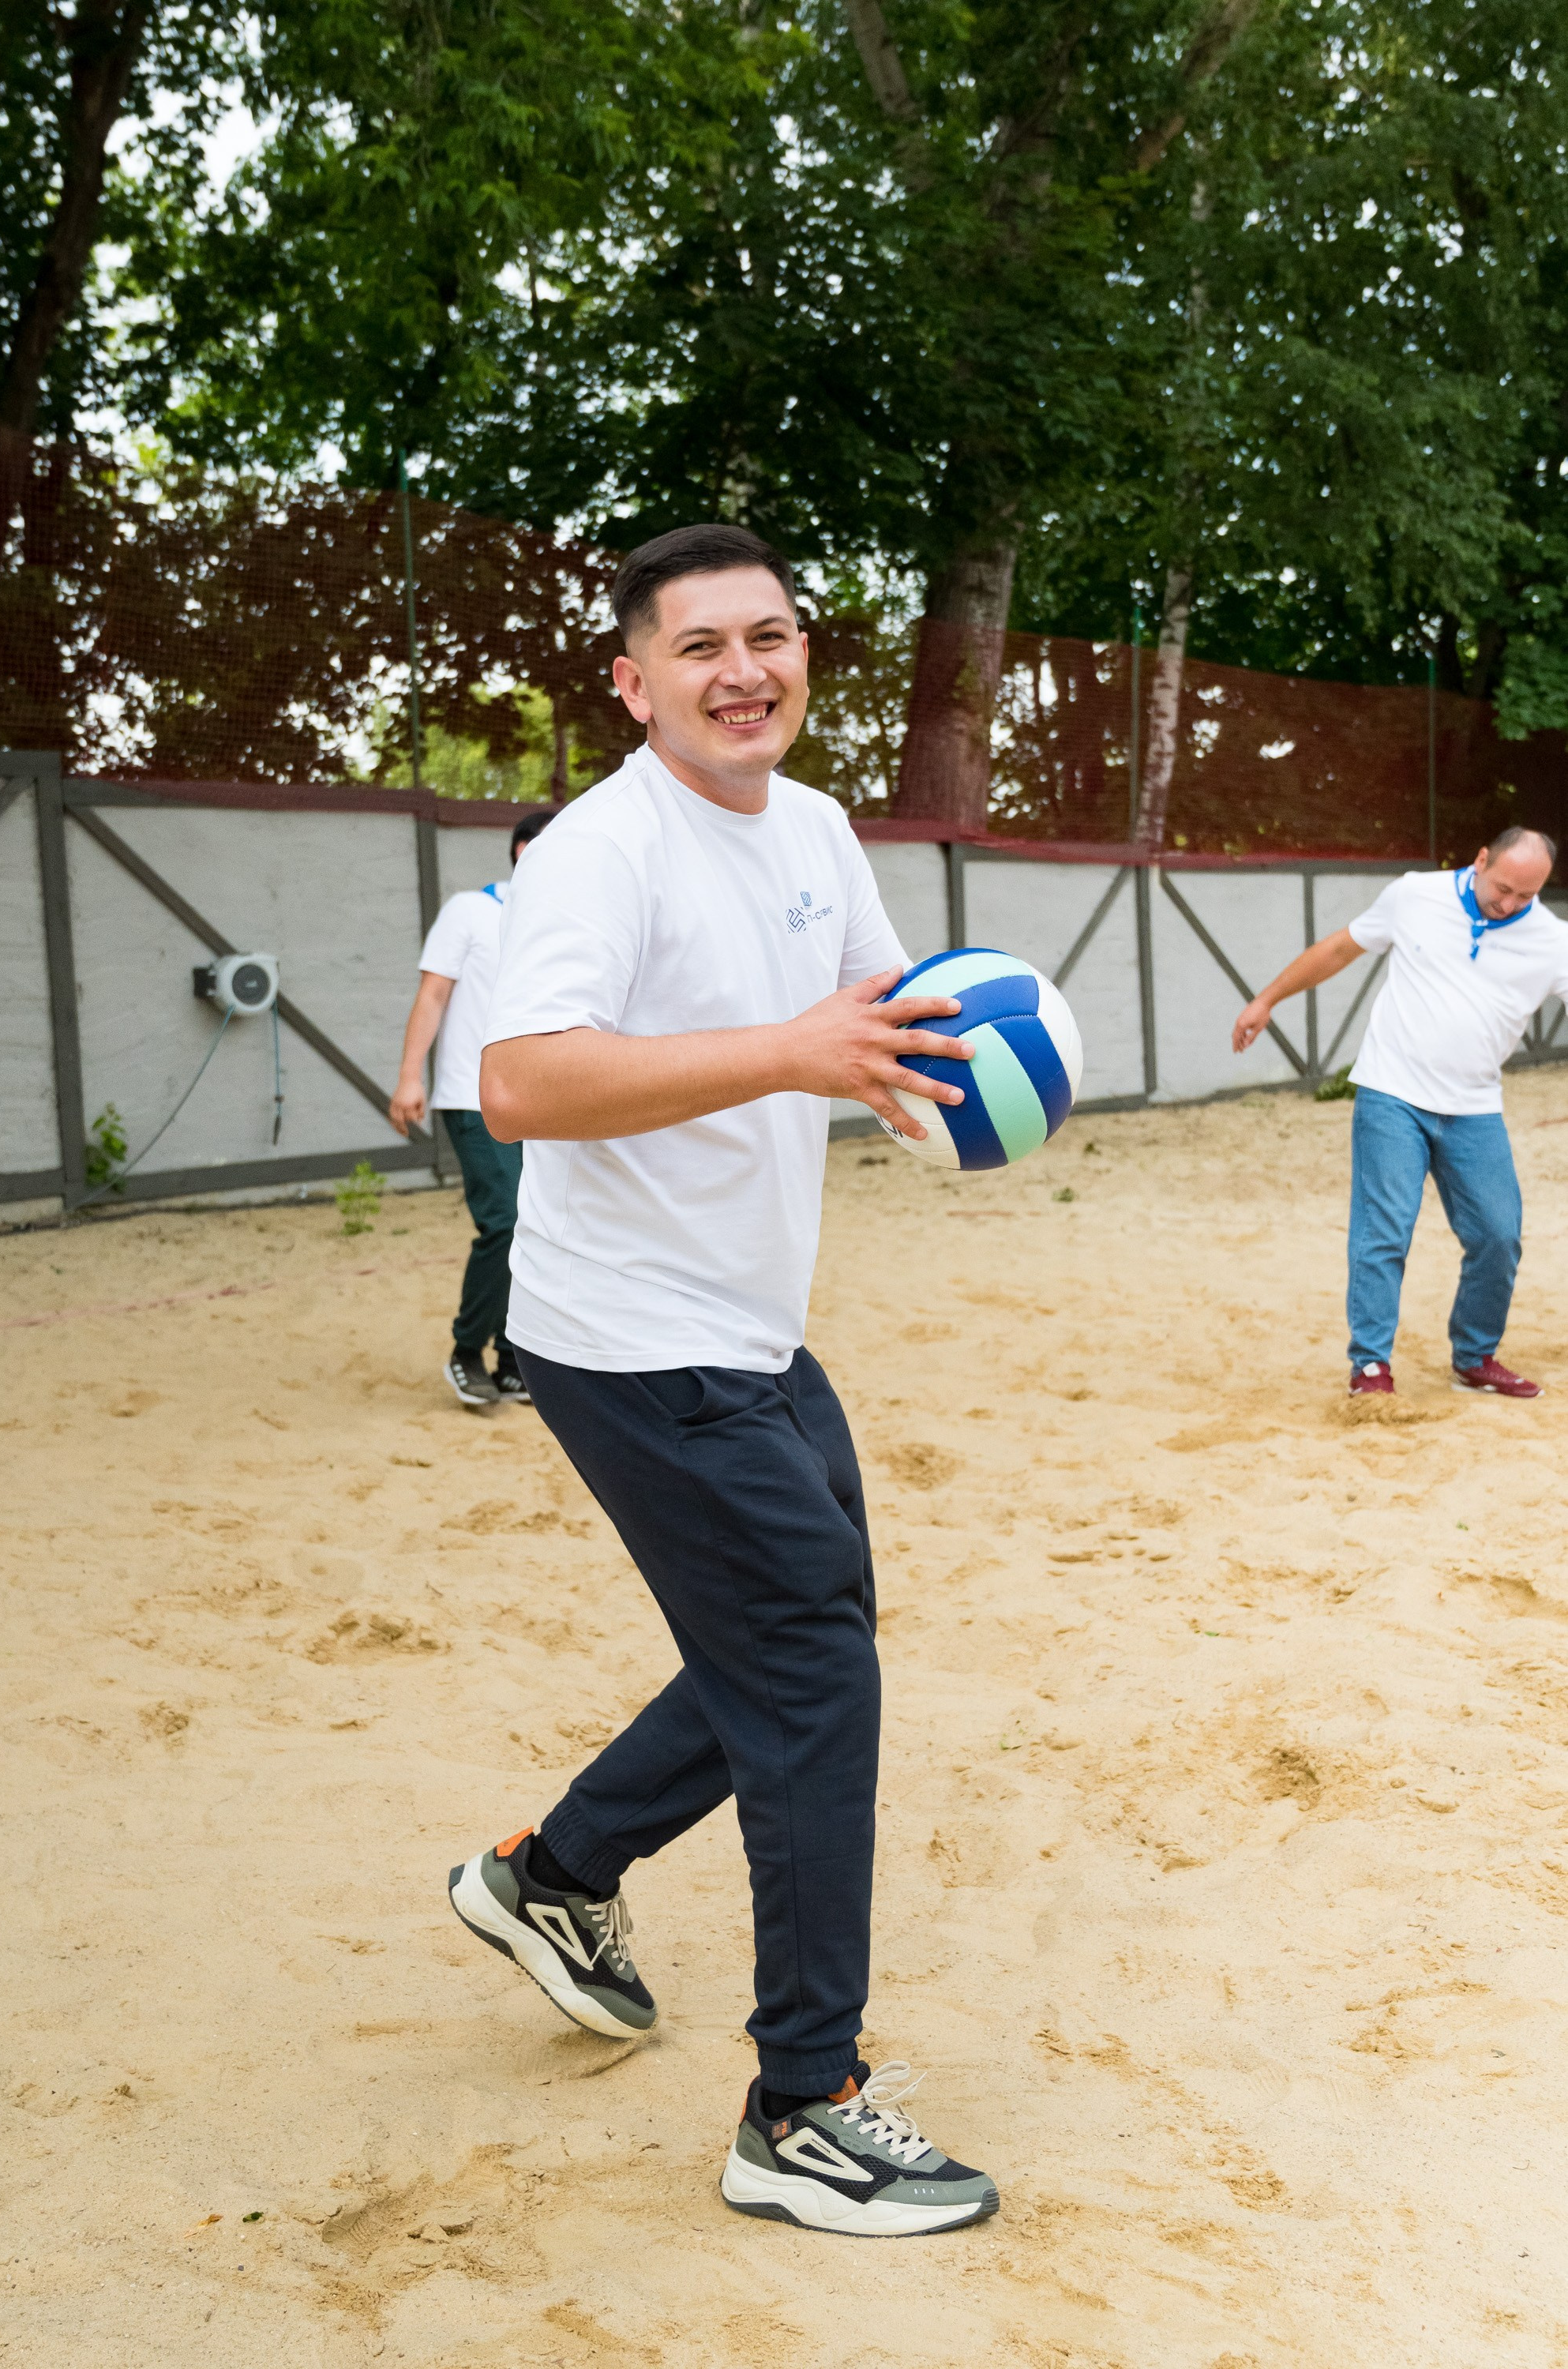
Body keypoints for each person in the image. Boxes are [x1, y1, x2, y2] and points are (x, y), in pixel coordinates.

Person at [445, 522, 1000, 2237]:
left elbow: (868, 1006)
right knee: (813, 1672)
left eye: (768, 636)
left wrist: (970, 1050)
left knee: (798, 1633)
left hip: (749, 1327)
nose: (742, 670)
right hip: (627, 1338)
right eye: (698, 648)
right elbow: (522, 1081)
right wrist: (790, 1052)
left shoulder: (817, 825)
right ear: (633, 682)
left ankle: (551, 1879)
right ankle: (801, 2111)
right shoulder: (603, 851)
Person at [1232, 826, 1568, 1398]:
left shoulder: (1553, 940)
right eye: (1504, 888)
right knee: (1383, 1233)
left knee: (1498, 1234)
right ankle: (1370, 1367)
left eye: (1525, 895)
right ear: (1481, 859)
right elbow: (1340, 948)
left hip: (1474, 1106)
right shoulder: (1415, 895)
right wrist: (1267, 1000)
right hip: (1392, 1093)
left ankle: (1475, 1356)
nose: (1510, 904)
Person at [388, 807, 554, 1408]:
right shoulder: (471, 911)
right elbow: (433, 995)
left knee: (541, 1228)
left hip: (547, 1102)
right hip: (471, 1095)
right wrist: (411, 1077)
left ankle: (514, 1361)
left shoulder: (567, 921)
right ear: (520, 851)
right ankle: (467, 1352)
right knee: (505, 1221)